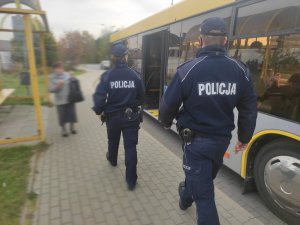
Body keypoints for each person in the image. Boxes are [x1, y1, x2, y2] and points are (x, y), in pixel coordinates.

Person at [159, 17, 257, 225]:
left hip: (195, 143)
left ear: (201, 40)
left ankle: (188, 194)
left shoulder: (188, 70)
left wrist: (166, 123)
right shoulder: (240, 71)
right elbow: (249, 108)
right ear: (224, 41)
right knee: (201, 179)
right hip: (221, 142)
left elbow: (168, 105)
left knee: (204, 196)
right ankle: (185, 196)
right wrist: (244, 137)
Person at [92, 43, 144, 190]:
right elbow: (142, 96)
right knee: (130, 147)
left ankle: (113, 160)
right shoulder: (134, 75)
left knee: (113, 141)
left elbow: (99, 98)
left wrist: (99, 110)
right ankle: (131, 181)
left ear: (113, 58)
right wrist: (135, 104)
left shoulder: (107, 75)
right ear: (125, 57)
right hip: (131, 117)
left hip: (112, 117)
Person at [49, 62, 78, 137]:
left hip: (70, 99)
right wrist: (58, 86)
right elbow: (50, 90)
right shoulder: (51, 77)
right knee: (62, 116)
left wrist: (74, 78)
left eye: (60, 68)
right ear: (54, 70)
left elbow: (74, 84)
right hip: (60, 101)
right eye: (57, 69)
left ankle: (72, 128)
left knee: (72, 115)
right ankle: (64, 130)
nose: (59, 70)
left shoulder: (68, 75)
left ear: (62, 68)